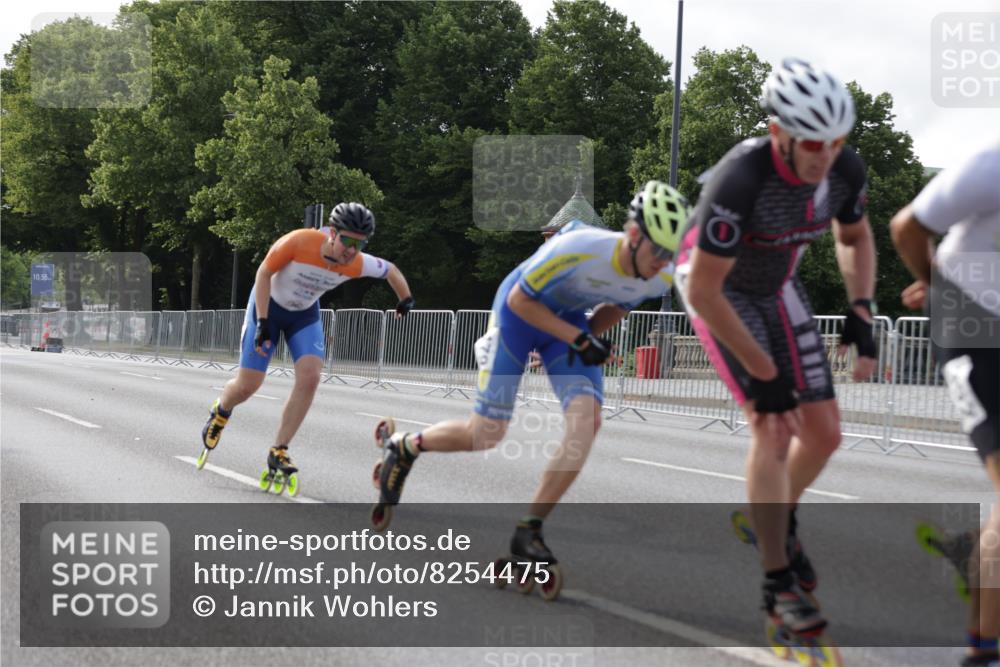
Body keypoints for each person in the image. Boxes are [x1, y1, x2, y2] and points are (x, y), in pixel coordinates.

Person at [369, 180, 689, 597]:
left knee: (588, 420)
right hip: (517, 316)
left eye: (671, 252)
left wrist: (587, 339)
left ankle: (529, 530)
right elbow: (520, 302)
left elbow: (619, 305)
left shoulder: (660, 275)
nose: (663, 260)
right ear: (632, 235)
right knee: (486, 434)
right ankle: (406, 446)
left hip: (568, 324)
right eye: (658, 249)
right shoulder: (581, 248)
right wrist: (580, 340)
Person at [674, 58, 877, 636]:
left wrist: (861, 308)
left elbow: (854, 237)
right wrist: (765, 375)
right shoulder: (742, 178)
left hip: (778, 284)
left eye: (836, 141)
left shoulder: (844, 170)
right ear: (777, 132)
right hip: (715, 289)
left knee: (825, 433)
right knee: (773, 424)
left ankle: (774, 516)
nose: (825, 155)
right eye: (812, 142)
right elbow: (707, 291)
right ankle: (777, 584)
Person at [198, 203, 414, 495]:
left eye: (360, 244)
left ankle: (280, 449)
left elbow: (392, 271)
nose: (352, 251)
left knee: (311, 377)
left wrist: (405, 300)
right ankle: (222, 410)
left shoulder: (358, 262)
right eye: (347, 241)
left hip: (303, 315)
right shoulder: (300, 241)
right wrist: (262, 321)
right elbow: (263, 273)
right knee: (249, 385)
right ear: (332, 233)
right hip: (268, 308)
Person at [890, 138, 1000, 667]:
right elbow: (906, 227)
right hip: (967, 327)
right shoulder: (992, 164)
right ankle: (984, 649)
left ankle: (975, 550)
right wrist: (935, 286)